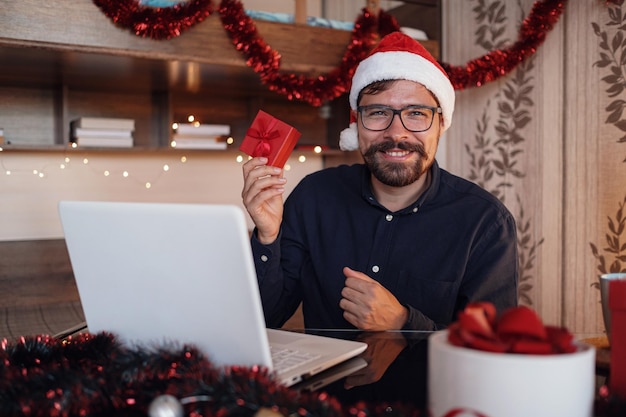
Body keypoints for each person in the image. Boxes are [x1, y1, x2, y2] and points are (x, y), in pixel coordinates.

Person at [241, 31, 518, 331]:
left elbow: (488, 353)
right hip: (325, 380)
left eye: (416, 113)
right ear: (356, 123)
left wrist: (404, 323)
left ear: (440, 124)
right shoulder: (314, 196)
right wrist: (267, 237)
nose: (396, 133)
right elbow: (265, 319)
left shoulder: (486, 222)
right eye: (377, 113)